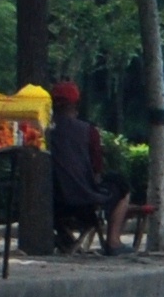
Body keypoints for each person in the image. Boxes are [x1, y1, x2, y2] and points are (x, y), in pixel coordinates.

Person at [46, 83, 115, 250]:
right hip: (84, 201)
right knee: (120, 185)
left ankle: (66, 239)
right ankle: (114, 241)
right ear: (75, 104)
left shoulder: (43, 131)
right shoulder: (88, 131)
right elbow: (97, 167)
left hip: (53, 200)